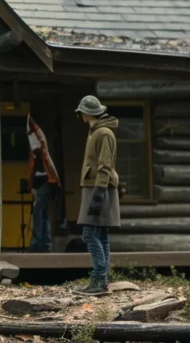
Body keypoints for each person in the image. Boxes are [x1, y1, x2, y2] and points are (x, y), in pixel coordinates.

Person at [74, 95, 121, 295]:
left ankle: (99, 279)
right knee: (100, 234)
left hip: (98, 187)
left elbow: (105, 165)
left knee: (90, 234)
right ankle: (101, 280)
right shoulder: (95, 131)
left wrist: (99, 192)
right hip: (95, 187)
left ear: (86, 113)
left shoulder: (104, 133)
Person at [27, 114, 60, 253]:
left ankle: (36, 243)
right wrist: (31, 186)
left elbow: (38, 133)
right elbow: (31, 170)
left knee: (38, 210)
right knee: (44, 213)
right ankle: (46, 244)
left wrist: (29, 120)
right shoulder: (34, 153)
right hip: (38, 183)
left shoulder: (42, 146)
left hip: (48, 181)